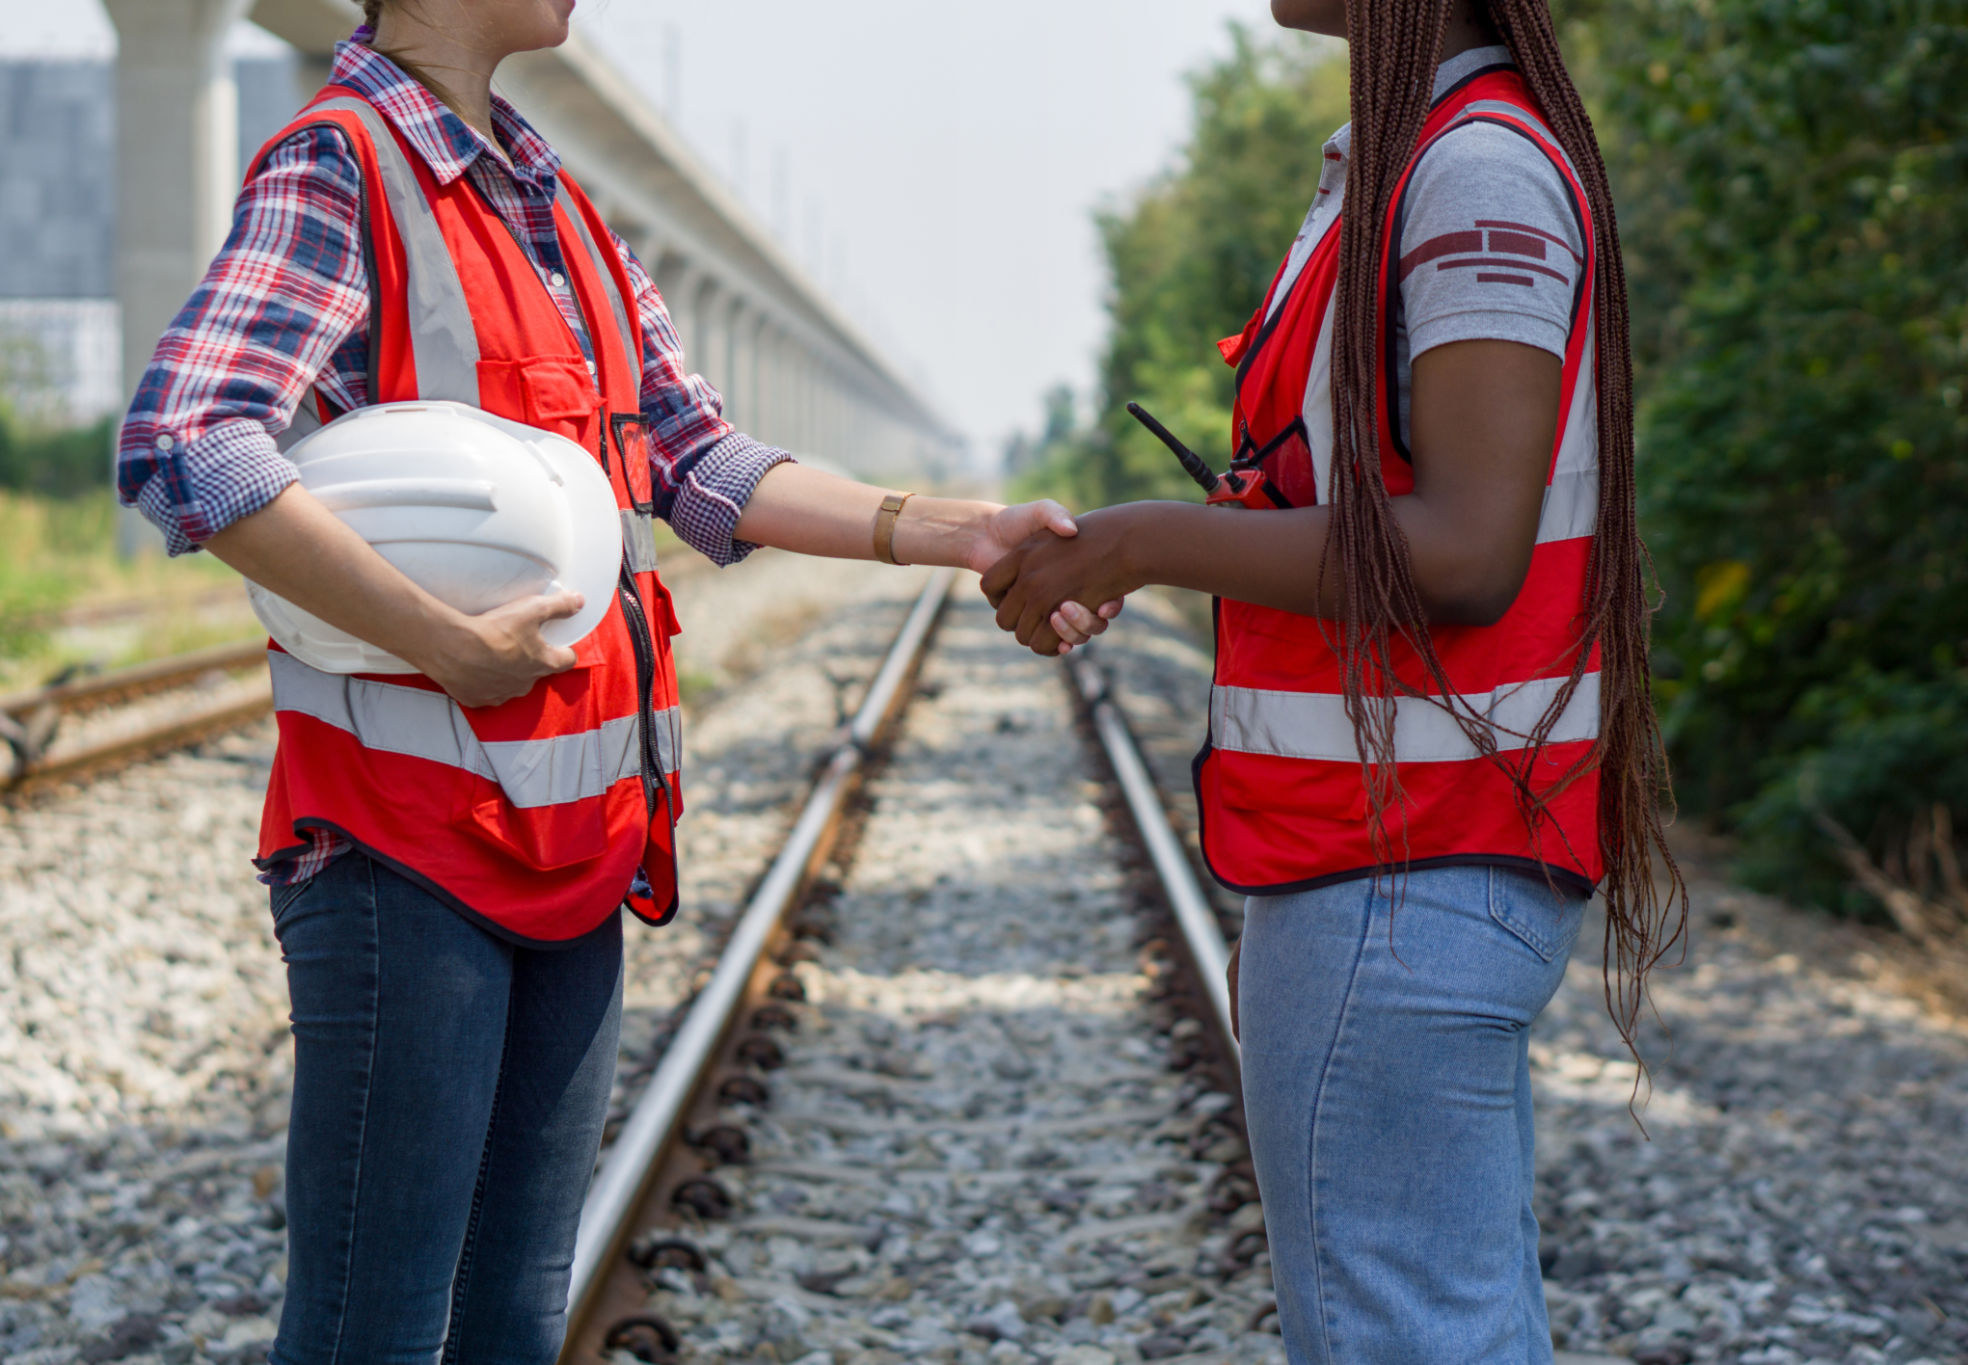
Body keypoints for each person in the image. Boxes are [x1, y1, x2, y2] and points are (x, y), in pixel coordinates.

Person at [117, 0, 1109, 1357]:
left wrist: (954, 532)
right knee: (376, 1326)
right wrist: (443, 638)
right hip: (408, 851)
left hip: (577, 844)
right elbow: (186, 440)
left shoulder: (559, 205)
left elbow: (697, 459)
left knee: (515, 1315)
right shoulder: (339, 164)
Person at [982, 0, 1686, 1358]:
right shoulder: (1399, 153)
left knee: (1406, 1333)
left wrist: (1146, 537)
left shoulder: (1471, 168)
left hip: (1407, 863)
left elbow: (1468, 551)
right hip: (1380, 865)